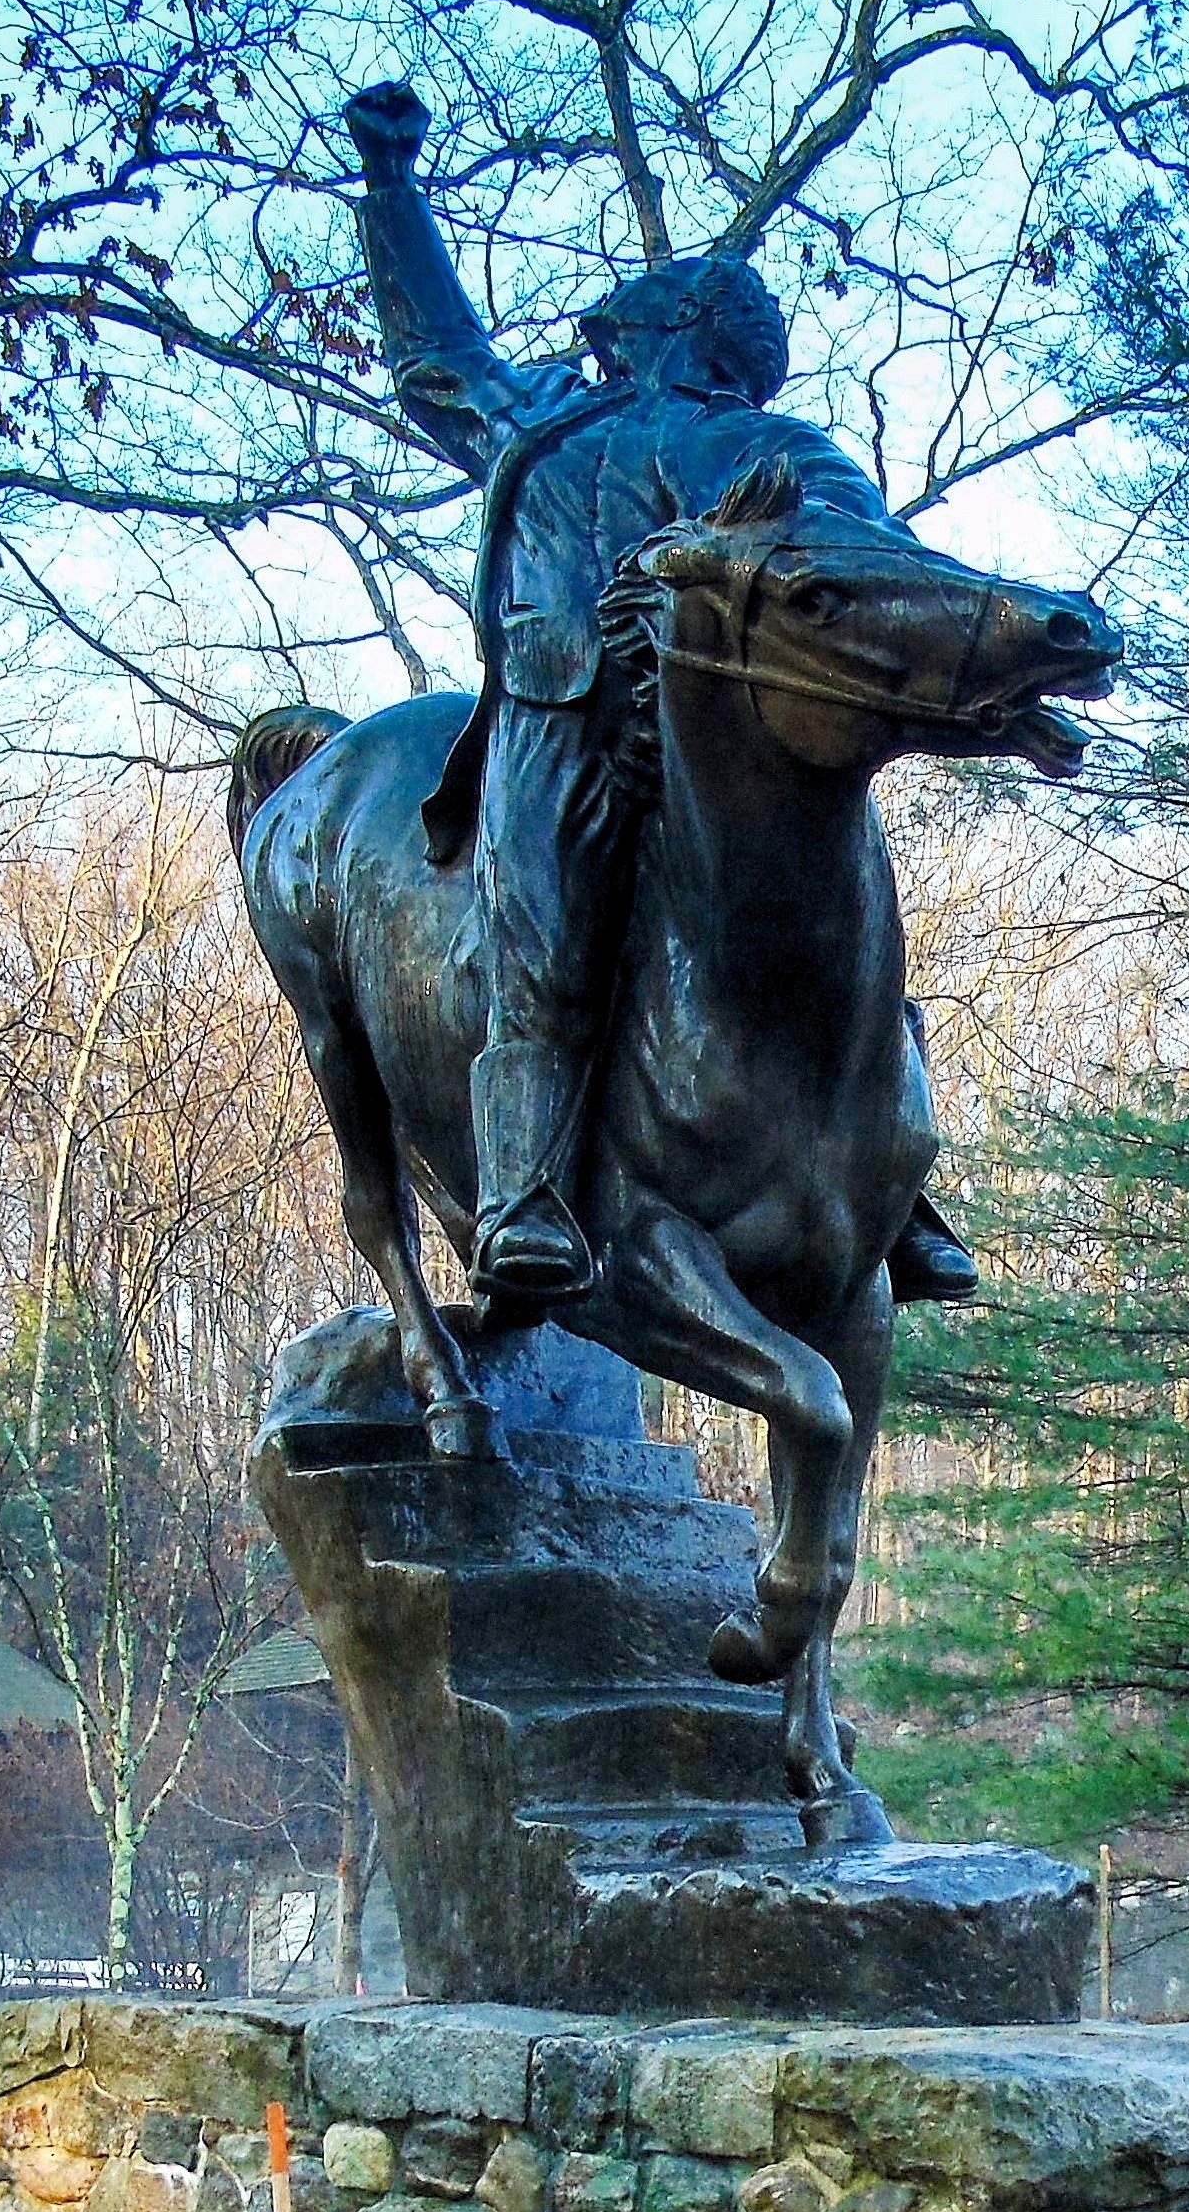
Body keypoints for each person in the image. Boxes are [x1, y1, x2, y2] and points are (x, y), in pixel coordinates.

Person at [344, 80, 982, 1312]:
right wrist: (390, 190)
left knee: (829, 919)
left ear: (689, 321)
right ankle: (523, 1193)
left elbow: (868, 559)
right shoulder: (542, 413)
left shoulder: (777, 449)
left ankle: (893, 1197)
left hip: (723, 741)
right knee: (540, 928)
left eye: (642, 291)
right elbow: (434, 357)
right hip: (558, 719)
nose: (610, 305)